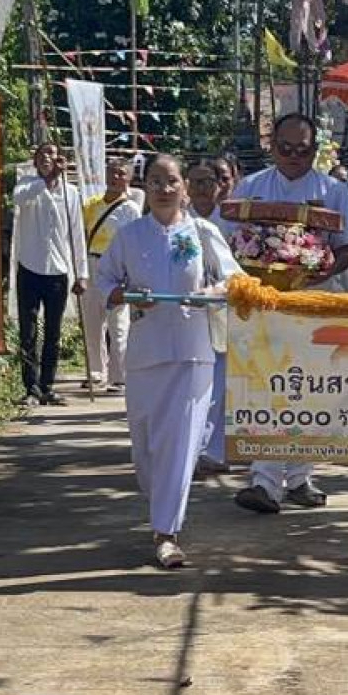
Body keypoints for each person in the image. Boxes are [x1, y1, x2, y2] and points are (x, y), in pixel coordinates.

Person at [100, 156, 239, 569]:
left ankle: (166, 533)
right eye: (156, 181)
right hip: (146, 354)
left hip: (193, 353)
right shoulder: (128, 235)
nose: (164, 189)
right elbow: (105, 281)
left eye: (171, 181)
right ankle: (160, 502)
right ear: (145, 186)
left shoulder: (202, 232)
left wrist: (211, 292)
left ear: (183, 188)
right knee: (147, 448)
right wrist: (124, 296)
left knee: (177, 446)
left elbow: (234, 278)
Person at [233, 113, 348, 516]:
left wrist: (320, 270)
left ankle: (300, 477)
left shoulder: (333, 190)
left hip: (314, 301)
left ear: (315, 150)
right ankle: (264, 481)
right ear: (272, 146)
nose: (293, 156)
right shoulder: (251, 187)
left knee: (310, 389)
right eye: (285, 148)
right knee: (268, 386)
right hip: (265, 304)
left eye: (302, 149)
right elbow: (226, 242)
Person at [10, 142, 82, 406]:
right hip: (29, 267)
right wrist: (47, 180)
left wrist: (81, 273)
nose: (47, 158)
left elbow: (77, 235)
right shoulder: (27, 185)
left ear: (60, 158)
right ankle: (31, 388)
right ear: (35, 161)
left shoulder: (71, 193)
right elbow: (19, 200)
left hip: (59, 270)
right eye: (41, 155)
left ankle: (48, 386)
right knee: (28, 331)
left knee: (53, 331)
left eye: (51, 154)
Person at [80, 154, 144, 396]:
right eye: (113, 172)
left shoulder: (131, 209)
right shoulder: (91, 205)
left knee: (119, 325)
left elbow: (136, 243)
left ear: (129, 178)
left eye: (122, 174)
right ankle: (96, 372)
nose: (117, 177)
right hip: (92, 262)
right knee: (92, 322)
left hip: (118, 268)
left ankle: (119, 376)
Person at [188, 157, 234, 476]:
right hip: (186, 313)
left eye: (209, 182)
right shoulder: (177, 222)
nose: (203, 188)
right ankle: (189, 447)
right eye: (197, 182)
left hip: (224, 310)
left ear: (219, 187)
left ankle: (215, 451)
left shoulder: (233, 221)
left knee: (222, 384)